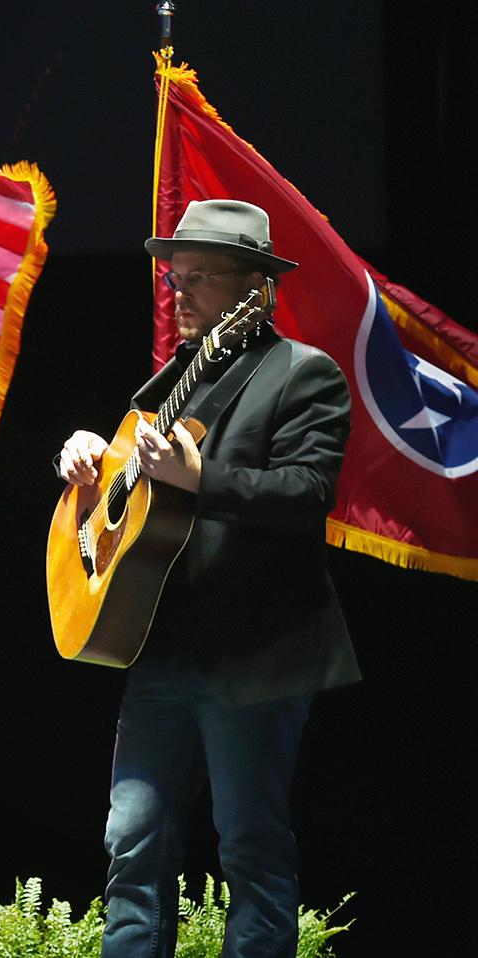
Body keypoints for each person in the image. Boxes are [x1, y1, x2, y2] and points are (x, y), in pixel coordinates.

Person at [54, 199, 361, 957]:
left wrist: (204, 477)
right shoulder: (171, 381)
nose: (177, 293)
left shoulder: (304, 375)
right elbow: (133, 480)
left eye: (198, 279)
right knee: (131, 843)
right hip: (161, 652)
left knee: (250, 847)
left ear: (254, 290)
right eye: (173, 277)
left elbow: (307, 493)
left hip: (255, 655)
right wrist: (90, 461)